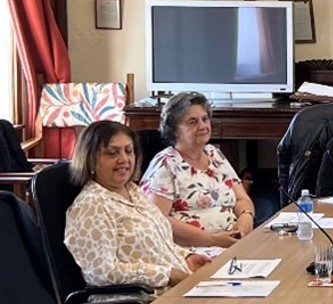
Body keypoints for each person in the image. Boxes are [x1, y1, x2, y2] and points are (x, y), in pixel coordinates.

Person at [65, 120, 210, 295]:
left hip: (174, 291)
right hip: (135, 299)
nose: (124, 159)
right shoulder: (92, 206)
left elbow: (154, 244)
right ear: (90, 159)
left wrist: (186, 257)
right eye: (112, 153)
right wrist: (166, 274)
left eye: (129, 151)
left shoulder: (133, 192)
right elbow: (101, 273)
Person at [140, 92, 256, 248]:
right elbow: (157, 219)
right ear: (174, 130)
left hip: (233, 244)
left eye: (205, 119)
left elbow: (243, 199)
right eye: (192, 122)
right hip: (194, 251)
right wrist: (212, 240)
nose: (202, 126)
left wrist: (245, 219)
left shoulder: (214, 154)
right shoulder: (166, 163)